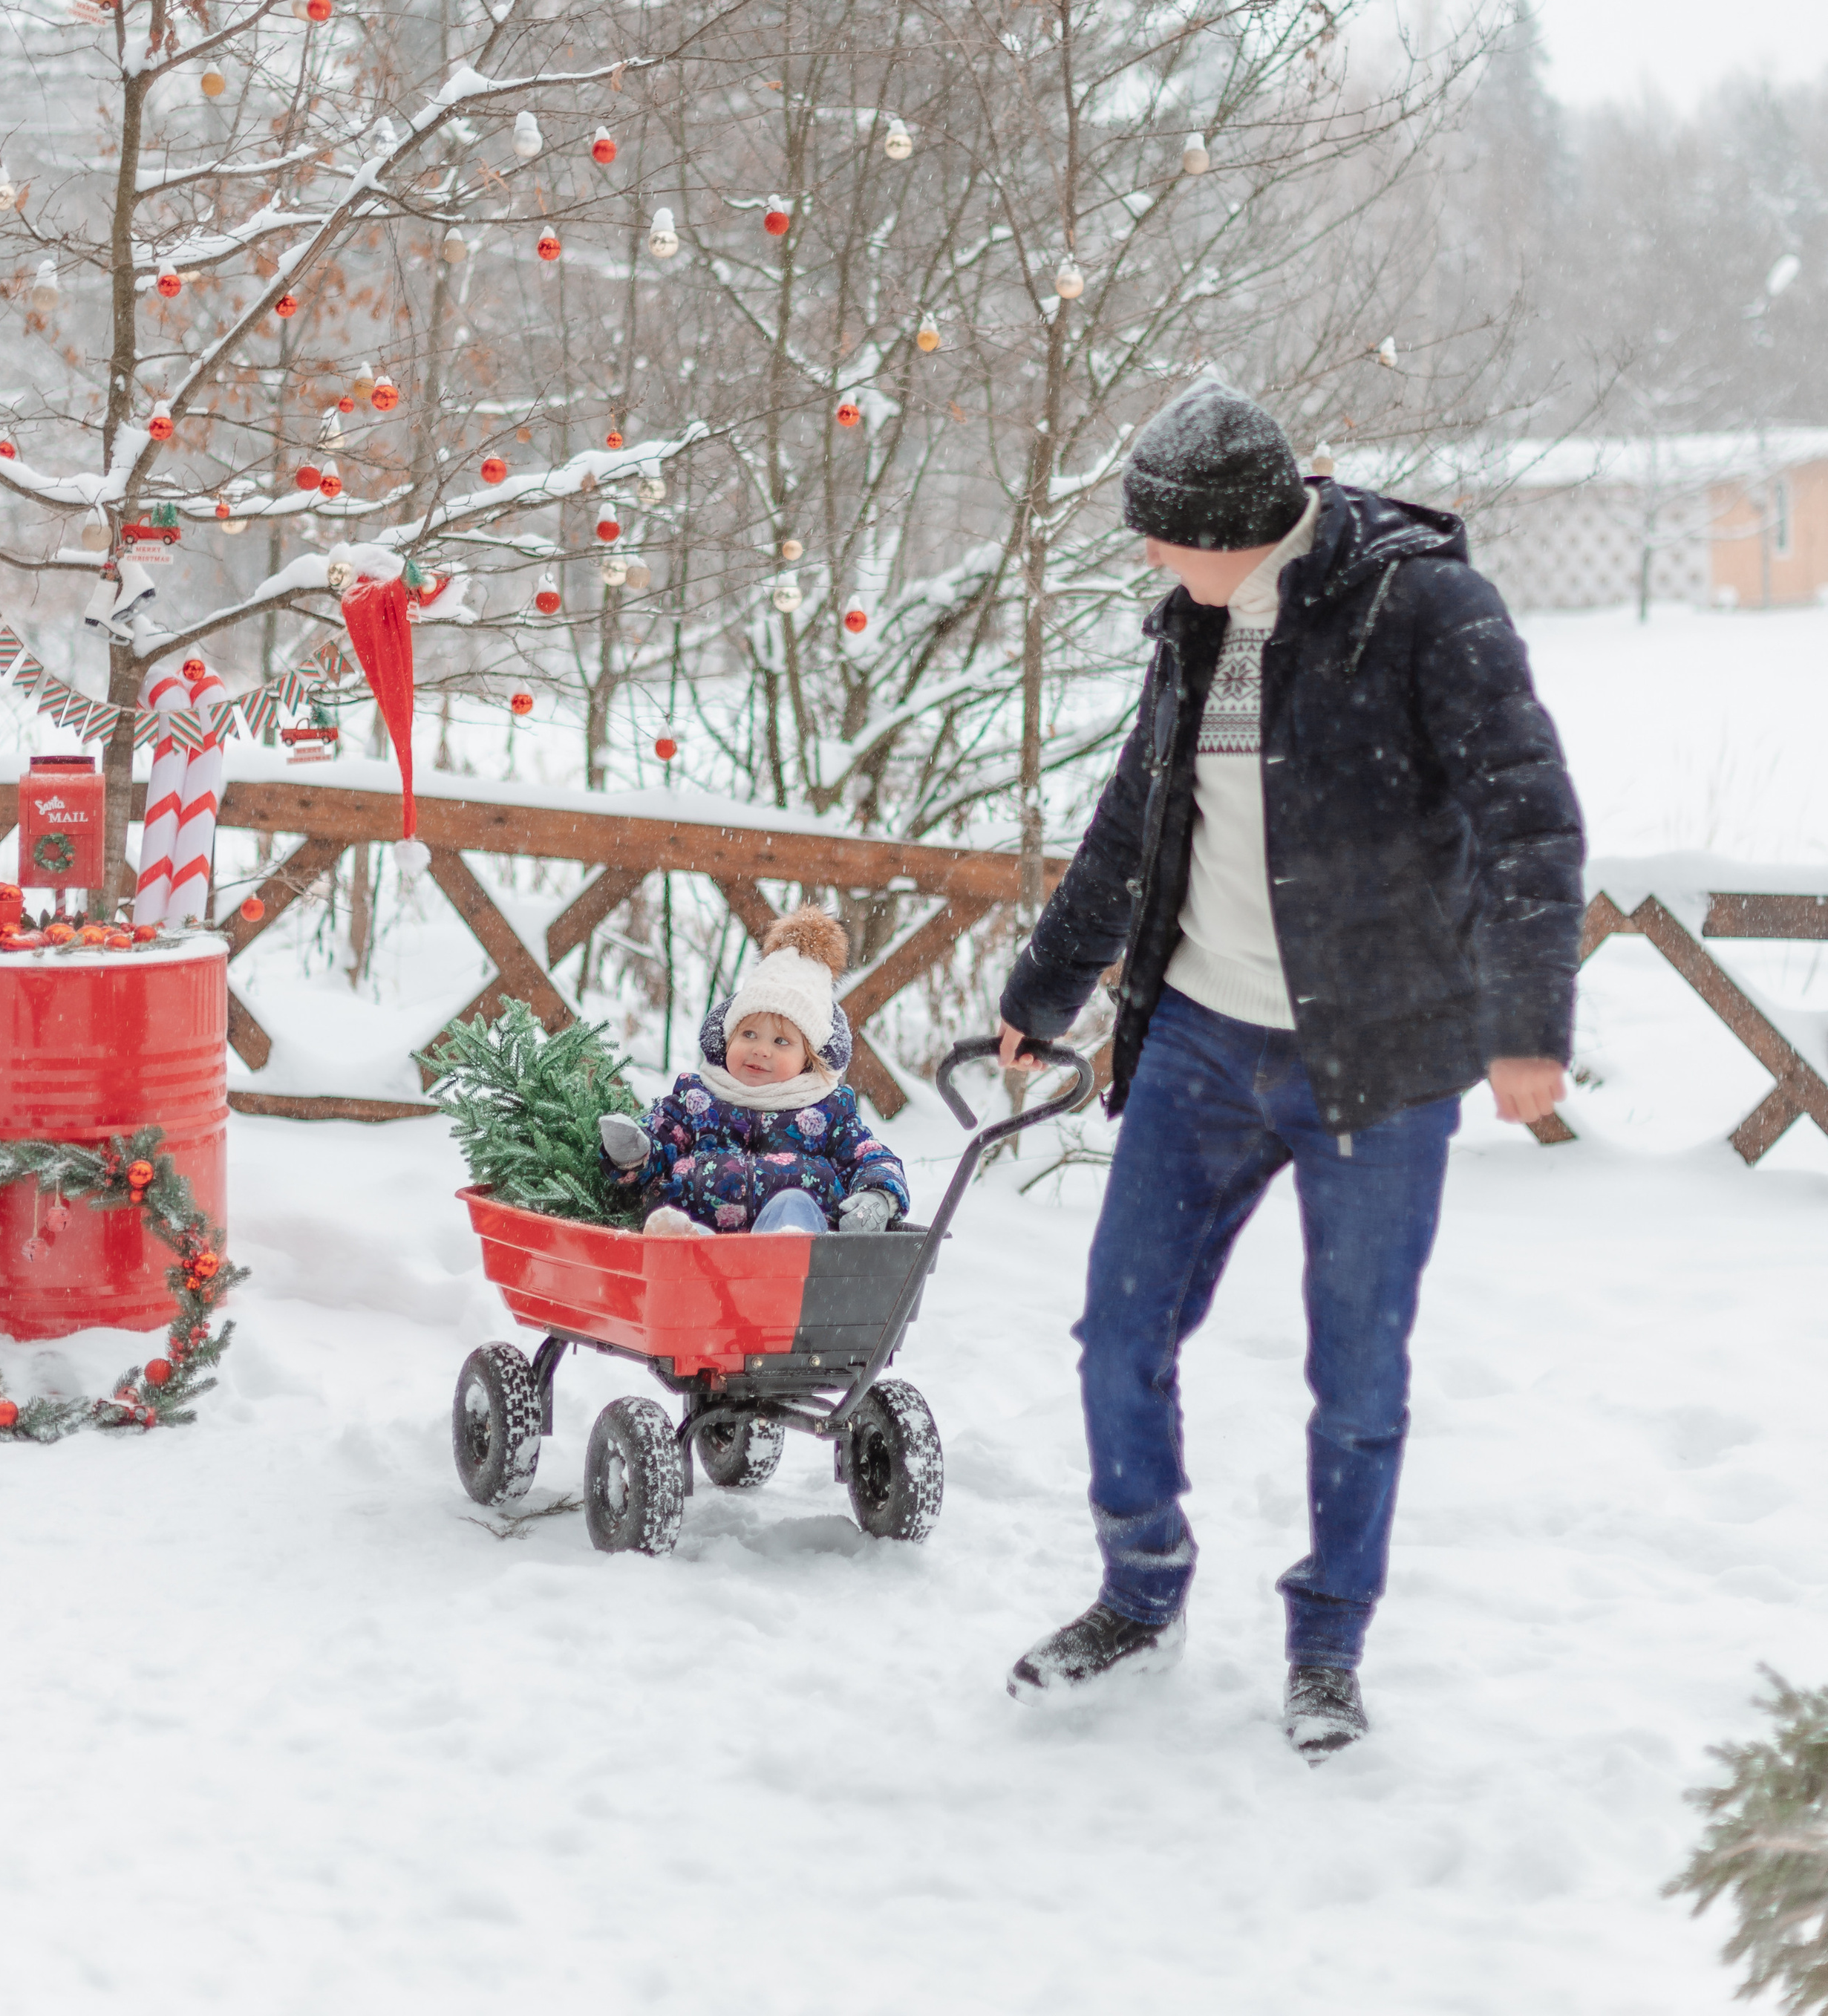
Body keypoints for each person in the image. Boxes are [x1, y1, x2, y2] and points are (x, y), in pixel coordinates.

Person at [996, 384, 1584, 1756]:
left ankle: (1328, 1644)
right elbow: (1137, 816)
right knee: (1119, 1335)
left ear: (1230, 528)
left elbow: (1529, 819)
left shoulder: (1426, 612)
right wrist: (1047, 987)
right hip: (1201, 1037)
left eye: (1161, 535)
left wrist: (1526, 1021)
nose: (1147, 559)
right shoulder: (1196, 625)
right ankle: (1139, 1594)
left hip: (1375, 1058)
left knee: (1359, 1373)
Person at [598, 907, 907, 1236]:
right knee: (676, 1211)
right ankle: (688, 1242)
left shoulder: (829, 1114)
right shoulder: (695, 1101)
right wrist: (635, 1152)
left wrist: (878, 1194)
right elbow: (658, 1147)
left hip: (792, 1265)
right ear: (726, 1038)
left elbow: (869, 1156)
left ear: (809, 1059)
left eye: (781, 1041)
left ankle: (782, 1242)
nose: (761, 1049)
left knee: (794, 1203)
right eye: (748, 1034)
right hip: (703, 1250)